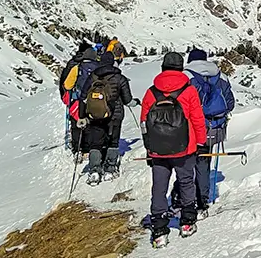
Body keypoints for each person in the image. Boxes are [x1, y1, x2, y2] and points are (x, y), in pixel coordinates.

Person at [139, 52, 207, 247]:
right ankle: (187, 222)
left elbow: (144, 122)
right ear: (181, 68)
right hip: (184, 148)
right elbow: (197, 119)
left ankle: (159, 229)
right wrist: (200, 141)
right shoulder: (188, 90)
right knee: (186, 182)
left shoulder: (151, 92)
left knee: (159, 187)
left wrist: (148, 146)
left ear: (163, 68)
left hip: (158, 149)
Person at [185, 48, 236, 217]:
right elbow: (230, 103)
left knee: (185, 164)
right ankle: (202, 200)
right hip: (214, 127)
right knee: (203, 163)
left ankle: (185, 199)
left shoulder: (187, 76)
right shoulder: (220, 76)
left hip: (190, 127)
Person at [79, 51, 134, 184]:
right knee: (113, 142)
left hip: (96, 115)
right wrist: (136, 102)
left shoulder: (93, 77)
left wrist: (82, 116)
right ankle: (110, 169)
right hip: (115, 115)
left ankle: (94, 171)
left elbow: (83, 97)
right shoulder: (120, 78)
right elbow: (127, 100)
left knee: (96, 143)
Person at [59, 44, 102, 158]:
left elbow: (67, 85)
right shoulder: (99, 67)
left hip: (78, 101)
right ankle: (88, 149)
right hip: (94, 100)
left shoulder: (77, 67)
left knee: (76, 125)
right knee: (90, 124)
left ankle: (77, 149)